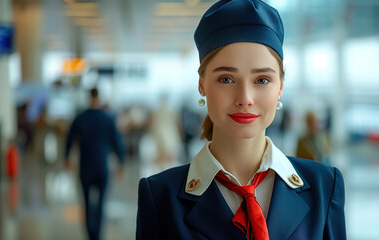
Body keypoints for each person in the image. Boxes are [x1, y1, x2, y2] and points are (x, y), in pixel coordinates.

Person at [136, 1, 346, 239]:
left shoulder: (324, 187)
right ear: (202, 85)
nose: (245, 98)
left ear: (280, 87)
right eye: (226, 79)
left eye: (262, 80)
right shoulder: (160, 197)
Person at [65, 88, 124, 240]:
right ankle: (98, 235)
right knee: (101, 204)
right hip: (102, 168)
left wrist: (67, 158)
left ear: (88, 98)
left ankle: (91, 235)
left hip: (85, 167)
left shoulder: (80, 118)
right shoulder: (108, 118)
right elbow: (117, 142)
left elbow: (70, 140)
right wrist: (120, 163)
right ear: (99, 98)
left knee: (87, 203)